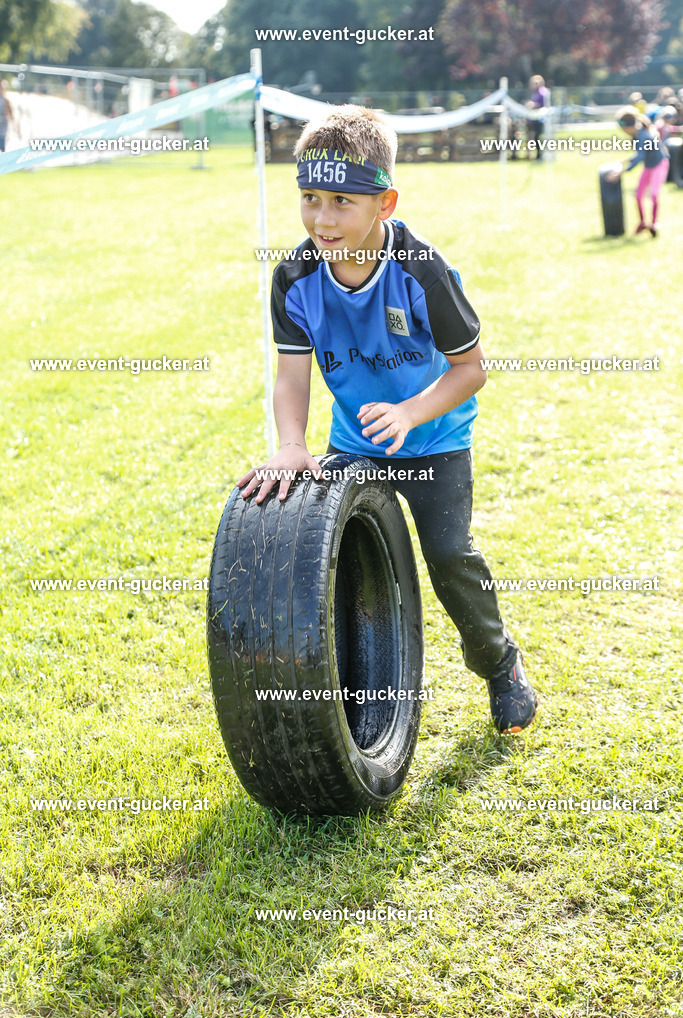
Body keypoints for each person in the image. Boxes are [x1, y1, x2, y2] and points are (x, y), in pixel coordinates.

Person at [237, 105, 539, 735]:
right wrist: (291, 445)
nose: (322, 218)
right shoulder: (292, 277)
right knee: (335, 560)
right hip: (355, 444)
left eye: (342, 202)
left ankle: (500, 665)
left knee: (450, 557)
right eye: (310, 198)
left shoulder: (425, 271)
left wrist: (409, 412)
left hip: (434, 438)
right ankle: (354, 698)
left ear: (385, 202)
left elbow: (472, 369)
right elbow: (292, 375)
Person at [608, 106, 670, 237]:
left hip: (659, 164)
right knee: (638, 195)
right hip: (649, 165)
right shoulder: (637, 135)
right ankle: (643, 222)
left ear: (628, 127)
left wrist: (623, 171)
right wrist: (625, 161)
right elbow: (639, 155)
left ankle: (654, 224)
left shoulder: (643, 135)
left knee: (653, 194)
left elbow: (640, 157)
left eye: (623, 129)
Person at [526, 74, 550, 159]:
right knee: (536, 137)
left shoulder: (542, 92)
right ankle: (539, 154)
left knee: (539, 137)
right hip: (535, 119)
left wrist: (532, 105)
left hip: (541, 119)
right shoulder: (536, 93)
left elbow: (540, 105)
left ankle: (541, 154)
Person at [0, 80, 15, 152]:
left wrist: (13, 121)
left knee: (2, 140)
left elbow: (10, 111)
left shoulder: (6, 100)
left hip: (3, 122)